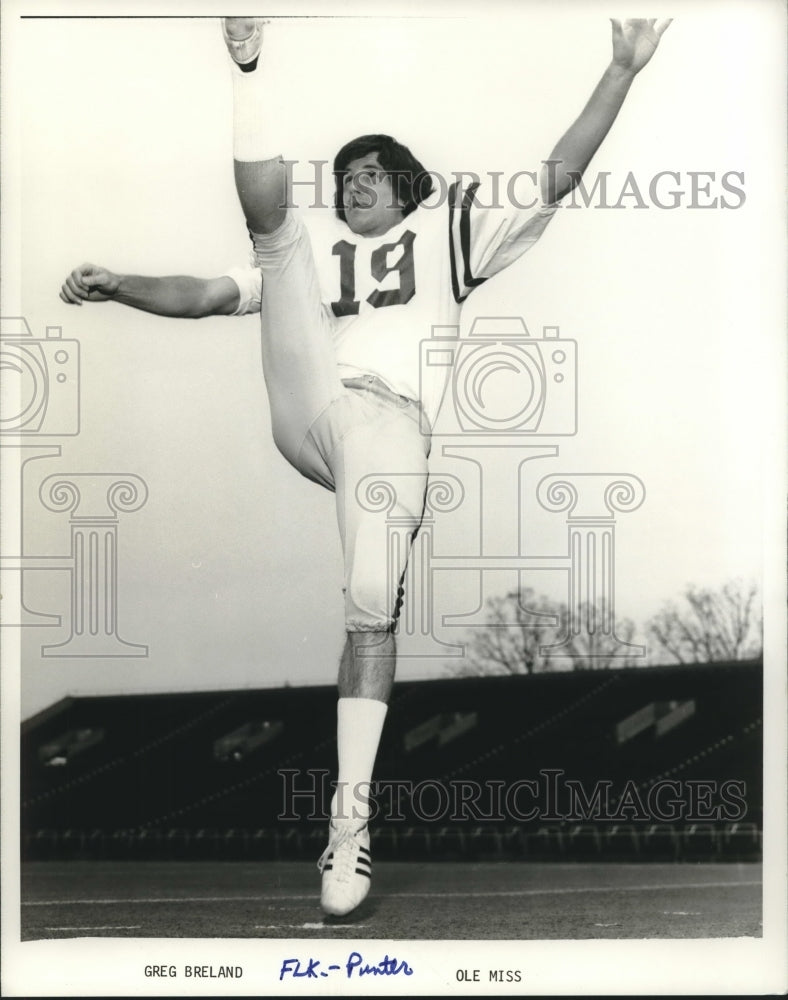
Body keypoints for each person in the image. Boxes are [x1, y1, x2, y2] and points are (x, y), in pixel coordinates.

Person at [60, 16, 670, 916]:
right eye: (343, 178)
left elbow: (558, 175)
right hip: (313, 408)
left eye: (368, 176)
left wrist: (619, 73)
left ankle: (350, 823)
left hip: (390, 430)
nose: (351, 187)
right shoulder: (320, 255)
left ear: (406, 186)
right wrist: (121, 285)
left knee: (368, 611)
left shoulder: (452, 232)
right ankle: (248, 69)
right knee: (277, 237)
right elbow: (201, 295)